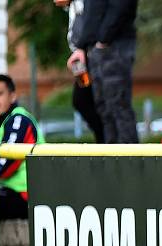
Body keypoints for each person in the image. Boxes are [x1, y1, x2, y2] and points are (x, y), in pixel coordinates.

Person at [71, 0, 139, 143]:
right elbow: (92, 13)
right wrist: (82, 47)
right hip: (97, 49)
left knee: (118, 107)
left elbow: (122, 6)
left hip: (114, 47)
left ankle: (129, 161)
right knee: (105, 110)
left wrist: (103, 39)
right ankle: (112, 161)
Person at [0, 74, 45, 220]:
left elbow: (6, 164)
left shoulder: (19, 119)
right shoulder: (2, 122)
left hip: (28, 195)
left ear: (12, 96)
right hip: (11, 192)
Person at [54, 0, 105, 143]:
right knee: (84, 101)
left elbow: (90, 22)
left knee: (85, 100)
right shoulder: (73, 6)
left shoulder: (85, 4)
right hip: (82, 56)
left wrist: (82, 49)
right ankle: (102, 139)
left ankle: (106, 140)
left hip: (91, 55)